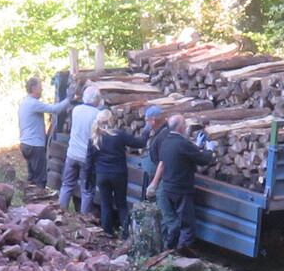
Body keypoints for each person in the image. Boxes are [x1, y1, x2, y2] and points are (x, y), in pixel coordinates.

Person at [143, 108, 215, 254]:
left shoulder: (166, 141)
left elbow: (179, 156)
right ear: (181, 128)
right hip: (181, 190)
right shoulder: (182, 143)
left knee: (173, 224)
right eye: (185, 124)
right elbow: (203, 160)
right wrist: (209, 150)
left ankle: (167, 251)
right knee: (187, 226)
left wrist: (196, 146)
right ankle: (182, 255)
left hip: (168, 187)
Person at [16, 76, 68, 187]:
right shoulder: (33, 103)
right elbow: (55, 109)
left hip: (26, 144)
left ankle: (30, 196)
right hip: (34, 145)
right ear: (33, 88)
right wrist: (70, 99)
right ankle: (39, 197)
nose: (42, 90)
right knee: (40, 180)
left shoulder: (25, 102)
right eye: (40, 87)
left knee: (32, 179)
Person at [60, 86, 103, 214]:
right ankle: (83, 218)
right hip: (86, 158)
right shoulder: (97, 114)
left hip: (72, 154)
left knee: (67, 185)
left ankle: (60, 212)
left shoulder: (76, 110)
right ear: (95, 99)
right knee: (87, 190)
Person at [90, 110, 132, 236]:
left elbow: (89, 159)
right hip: (118, 174)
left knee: (105, 205)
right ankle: (126, 235)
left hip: (102, 175)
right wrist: (146, 131)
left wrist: (88, 178)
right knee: (122, 205)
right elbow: (139, 142)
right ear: (110, 120)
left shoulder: (95, 137)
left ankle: (106, 233)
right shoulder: (119, 135)